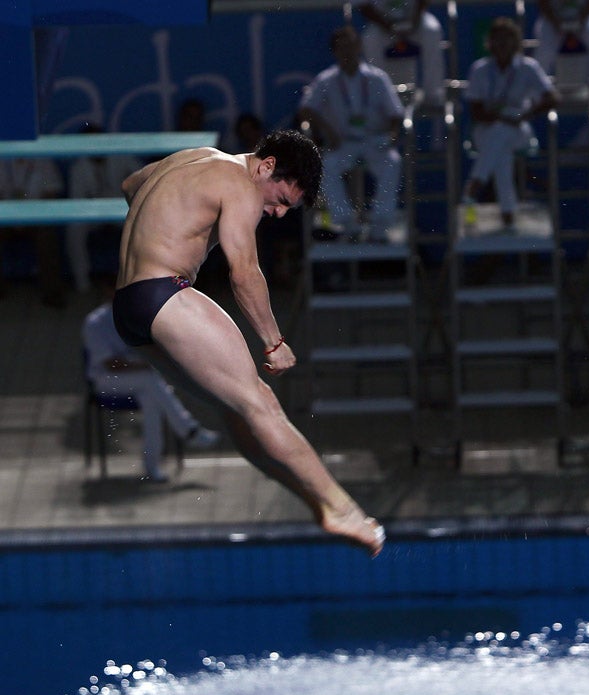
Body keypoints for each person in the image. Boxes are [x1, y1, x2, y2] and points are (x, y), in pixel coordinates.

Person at [112, 129, 385, 556]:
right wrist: (274, 342)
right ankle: (342, 508)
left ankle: (314, 501)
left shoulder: (196, 158)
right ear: (267, 165)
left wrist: (167, 228)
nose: (276, 213)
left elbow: (132, 185)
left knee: (236, 412)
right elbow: (244, 272)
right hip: (164, 293)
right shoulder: (240, 183)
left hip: (129, 307)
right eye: (279, 200)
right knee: (261, 402)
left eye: (286, 209)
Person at [83, 283, 221, 482]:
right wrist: (144, 366)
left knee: (152, 401)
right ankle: (188, 429)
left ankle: (152, 466)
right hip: (104, 380)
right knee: (150, 381)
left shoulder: (135, 316)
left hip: (138, 379)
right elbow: (110, 364)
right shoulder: (95, 323)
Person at [298, 25, 404, 243]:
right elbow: (305, 110)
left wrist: (393, 134)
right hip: (343, 143)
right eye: (341, 47)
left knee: (392, 162)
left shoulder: (377, 78)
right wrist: (327, 130)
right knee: (326, 165)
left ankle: (379, 225)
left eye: (351, 45)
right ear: (334, 51)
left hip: (373, 140)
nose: (347, 51)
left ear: (359, 46)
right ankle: (347, 223)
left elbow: (396, 113)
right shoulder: (326, 80)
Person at [464, 17, 559, 229]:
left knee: (503, 136)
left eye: (507, 39)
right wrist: (501, 117)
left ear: (515, 42)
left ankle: (477, 180)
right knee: (502, 150)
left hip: (519, 129)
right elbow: (476, 111)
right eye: (497, 40)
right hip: (487, 129)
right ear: (489, 43)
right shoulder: (479, 69)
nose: (502, 45)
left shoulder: (528, 67)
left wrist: (526, 114)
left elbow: (552, 98)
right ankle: (508, 213)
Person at [66, 123, 141, 293]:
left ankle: (135, 280)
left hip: (121, 210)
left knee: (140, 224)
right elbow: (78, 202)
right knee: (74, 229)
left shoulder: (122, 157)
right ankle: (82, 282)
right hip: (91, 214)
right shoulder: (79, 168)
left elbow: (142, 179)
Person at [0, 157, 67, 307]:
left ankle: (52, 292)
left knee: (47, 235)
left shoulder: (43, 162)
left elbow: (52, 192)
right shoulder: (3, 161)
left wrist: (31, 210)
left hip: (37, 217)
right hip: (6, 217)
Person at [355, 0, 446, 106]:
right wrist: (389, 27)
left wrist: (414, 22)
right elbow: (363, 6)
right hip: (382, 24)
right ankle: (378, 97)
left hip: (415, 20)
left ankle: (432, 95)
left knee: (432, 31)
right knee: (370, 39)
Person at [534, 0, 589, 81]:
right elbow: (542, 3)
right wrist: (555, 22)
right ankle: (539, 87)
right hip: (552, 16)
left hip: (587, 15)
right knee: (545, 49)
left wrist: (582, 19)